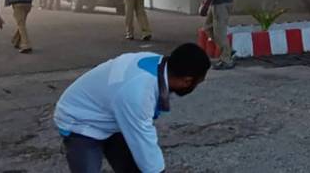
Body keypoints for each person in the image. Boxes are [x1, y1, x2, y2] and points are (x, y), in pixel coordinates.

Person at [54, 43, 210, 173]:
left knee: (133, 168)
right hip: (80, 120)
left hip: (112, 115)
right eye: (197, 82)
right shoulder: (138, 92)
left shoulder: (158, 64)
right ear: (187, 81)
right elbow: (144, 142)